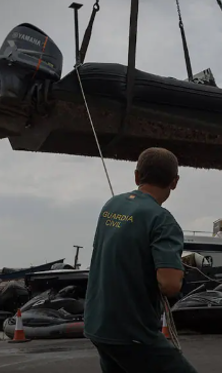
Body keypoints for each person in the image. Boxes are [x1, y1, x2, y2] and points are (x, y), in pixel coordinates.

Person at [84, 147, 199, 373]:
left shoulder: (111, 206)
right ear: (174, 182)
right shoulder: (163, 221)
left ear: (137, 176)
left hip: (98, 326)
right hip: (133, 334)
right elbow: (170, 284)